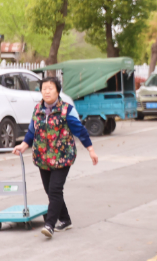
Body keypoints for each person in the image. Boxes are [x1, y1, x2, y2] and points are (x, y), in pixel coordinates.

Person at [13, 76, 98, 238]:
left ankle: (50, 225)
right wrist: (23, 145)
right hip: (43, 158)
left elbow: (80, 130)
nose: (47, 91)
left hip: (62, 157)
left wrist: (91, 150)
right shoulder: (38, 109)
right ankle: (65, 220)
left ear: (58, 91)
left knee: (55, 189)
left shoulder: (66, 110)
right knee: (50, 191)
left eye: (50, 88)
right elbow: (32, 130)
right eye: (44, 88)